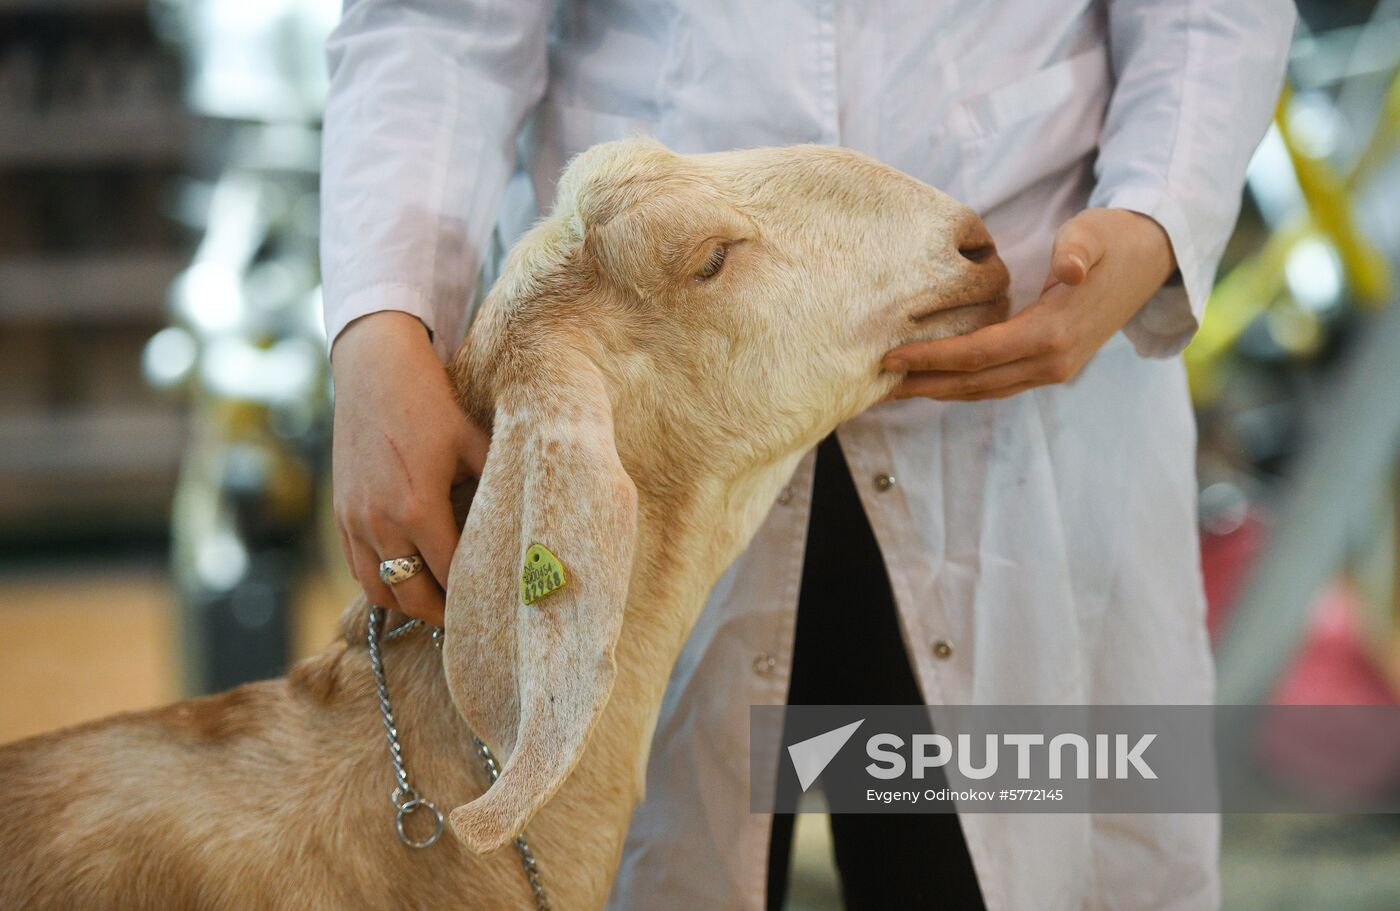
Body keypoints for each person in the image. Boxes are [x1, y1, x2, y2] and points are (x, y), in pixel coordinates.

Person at [320, 2, 1295, 907]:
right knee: (636, 863)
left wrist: (1154, 208)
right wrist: (379, 319)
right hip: (640, 384)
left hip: (1023, 349)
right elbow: (437, 20)